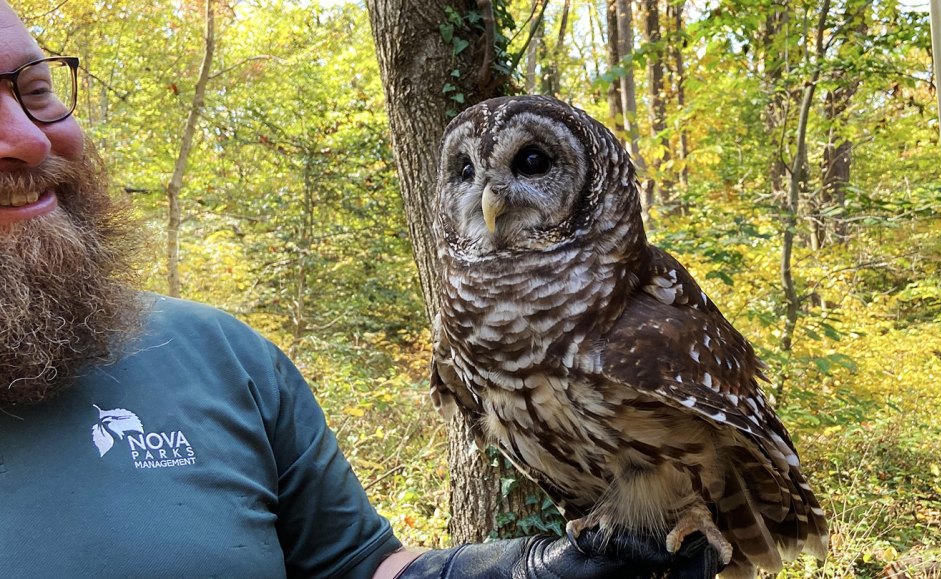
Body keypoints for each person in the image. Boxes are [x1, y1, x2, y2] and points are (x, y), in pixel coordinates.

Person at [0, 2, 719, 577]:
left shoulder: (222, 358)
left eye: (36, 91)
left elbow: (352, 563)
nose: (27, 139)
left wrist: (520, 571)